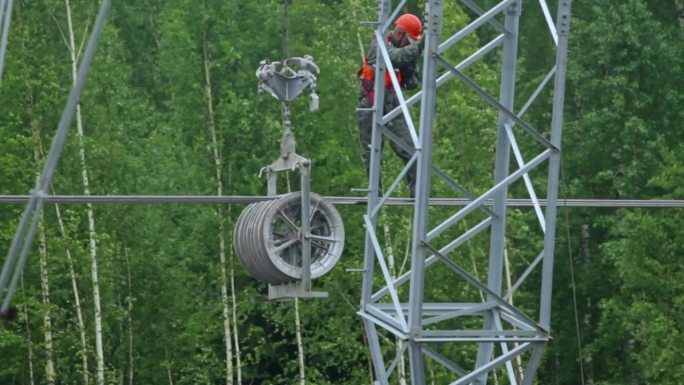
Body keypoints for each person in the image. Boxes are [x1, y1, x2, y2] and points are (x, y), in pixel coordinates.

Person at [356, 13, 422, 197]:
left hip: (393, 104)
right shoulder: (378, 46)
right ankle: (374, 195)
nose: (409, 44)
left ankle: (417, 193)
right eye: (408, 40)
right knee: (371, 152)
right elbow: (394, 57)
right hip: (370, 103)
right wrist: (417, 48)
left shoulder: (406, 52)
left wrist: (411, 63)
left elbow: (412, 82)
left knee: (410, 149)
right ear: (399, 33)